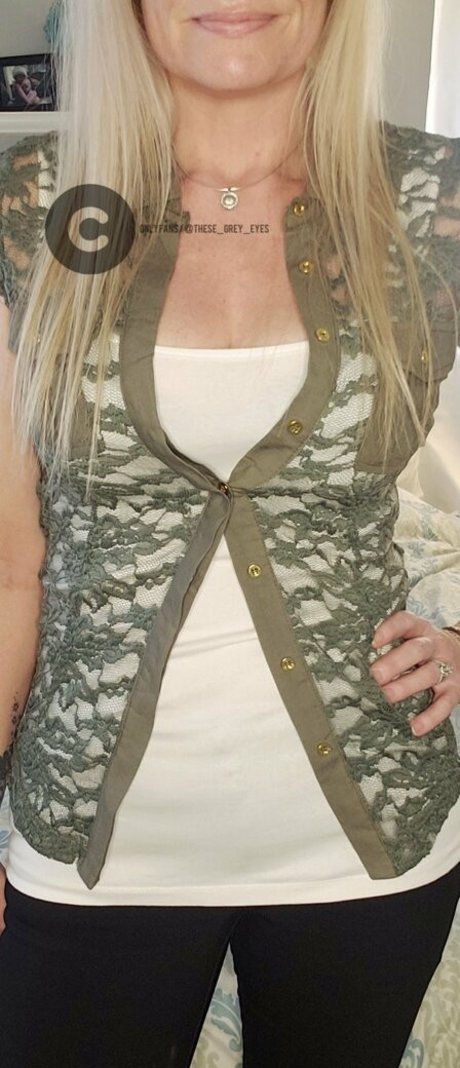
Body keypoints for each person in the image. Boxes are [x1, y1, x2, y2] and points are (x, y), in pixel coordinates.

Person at [0, 1, 459, 1066]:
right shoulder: (29, 206)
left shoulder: (432, 201)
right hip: (88, 847)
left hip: (370, 842)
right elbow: (9, 565)